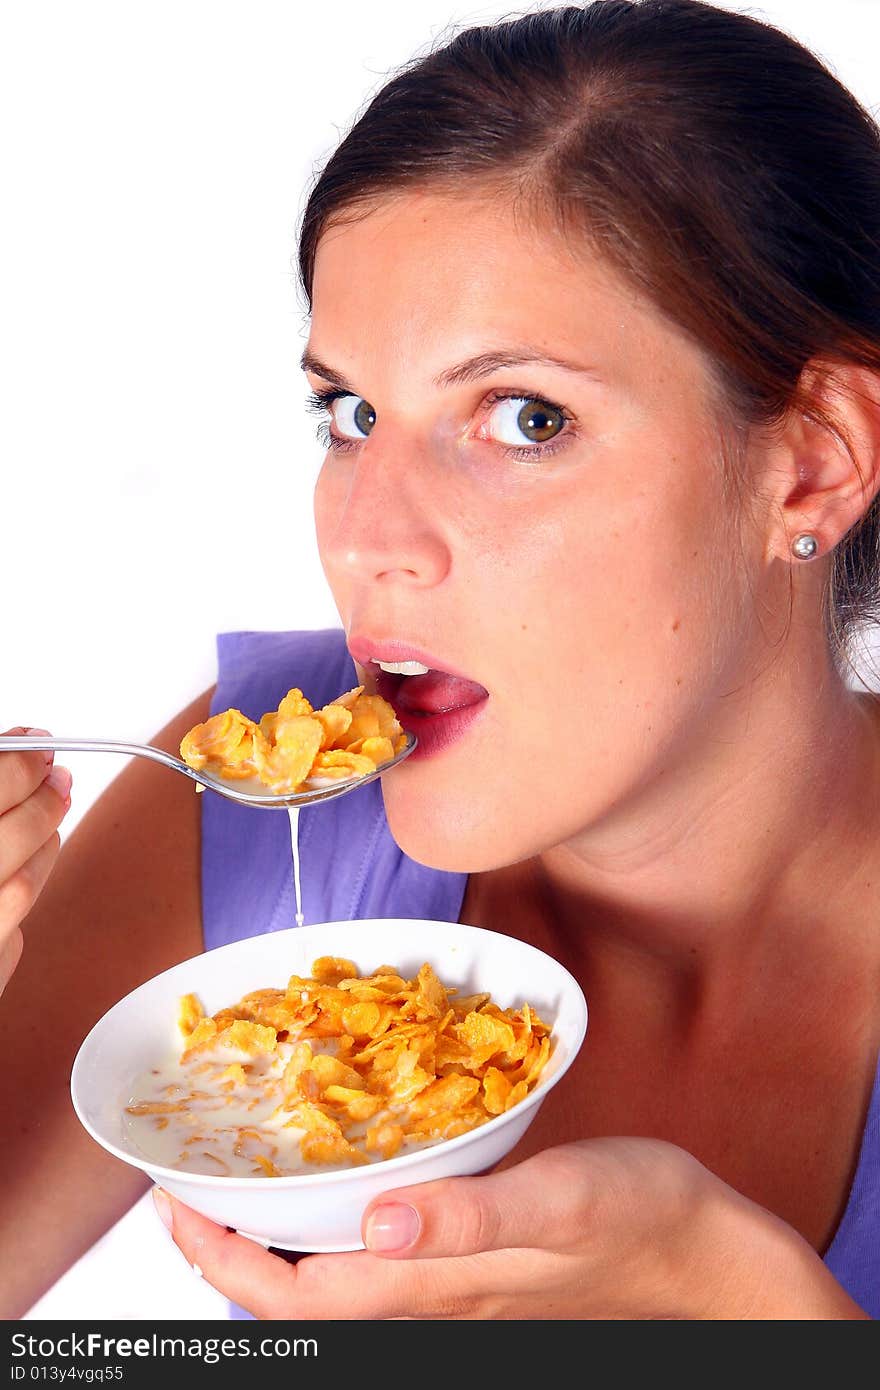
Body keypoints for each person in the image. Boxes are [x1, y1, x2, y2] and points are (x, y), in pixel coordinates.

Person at [3, 0, 880, 1320]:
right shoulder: (240, 794)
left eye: (526, 417)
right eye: (352, 414)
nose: (368, 541)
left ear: (813, 463)